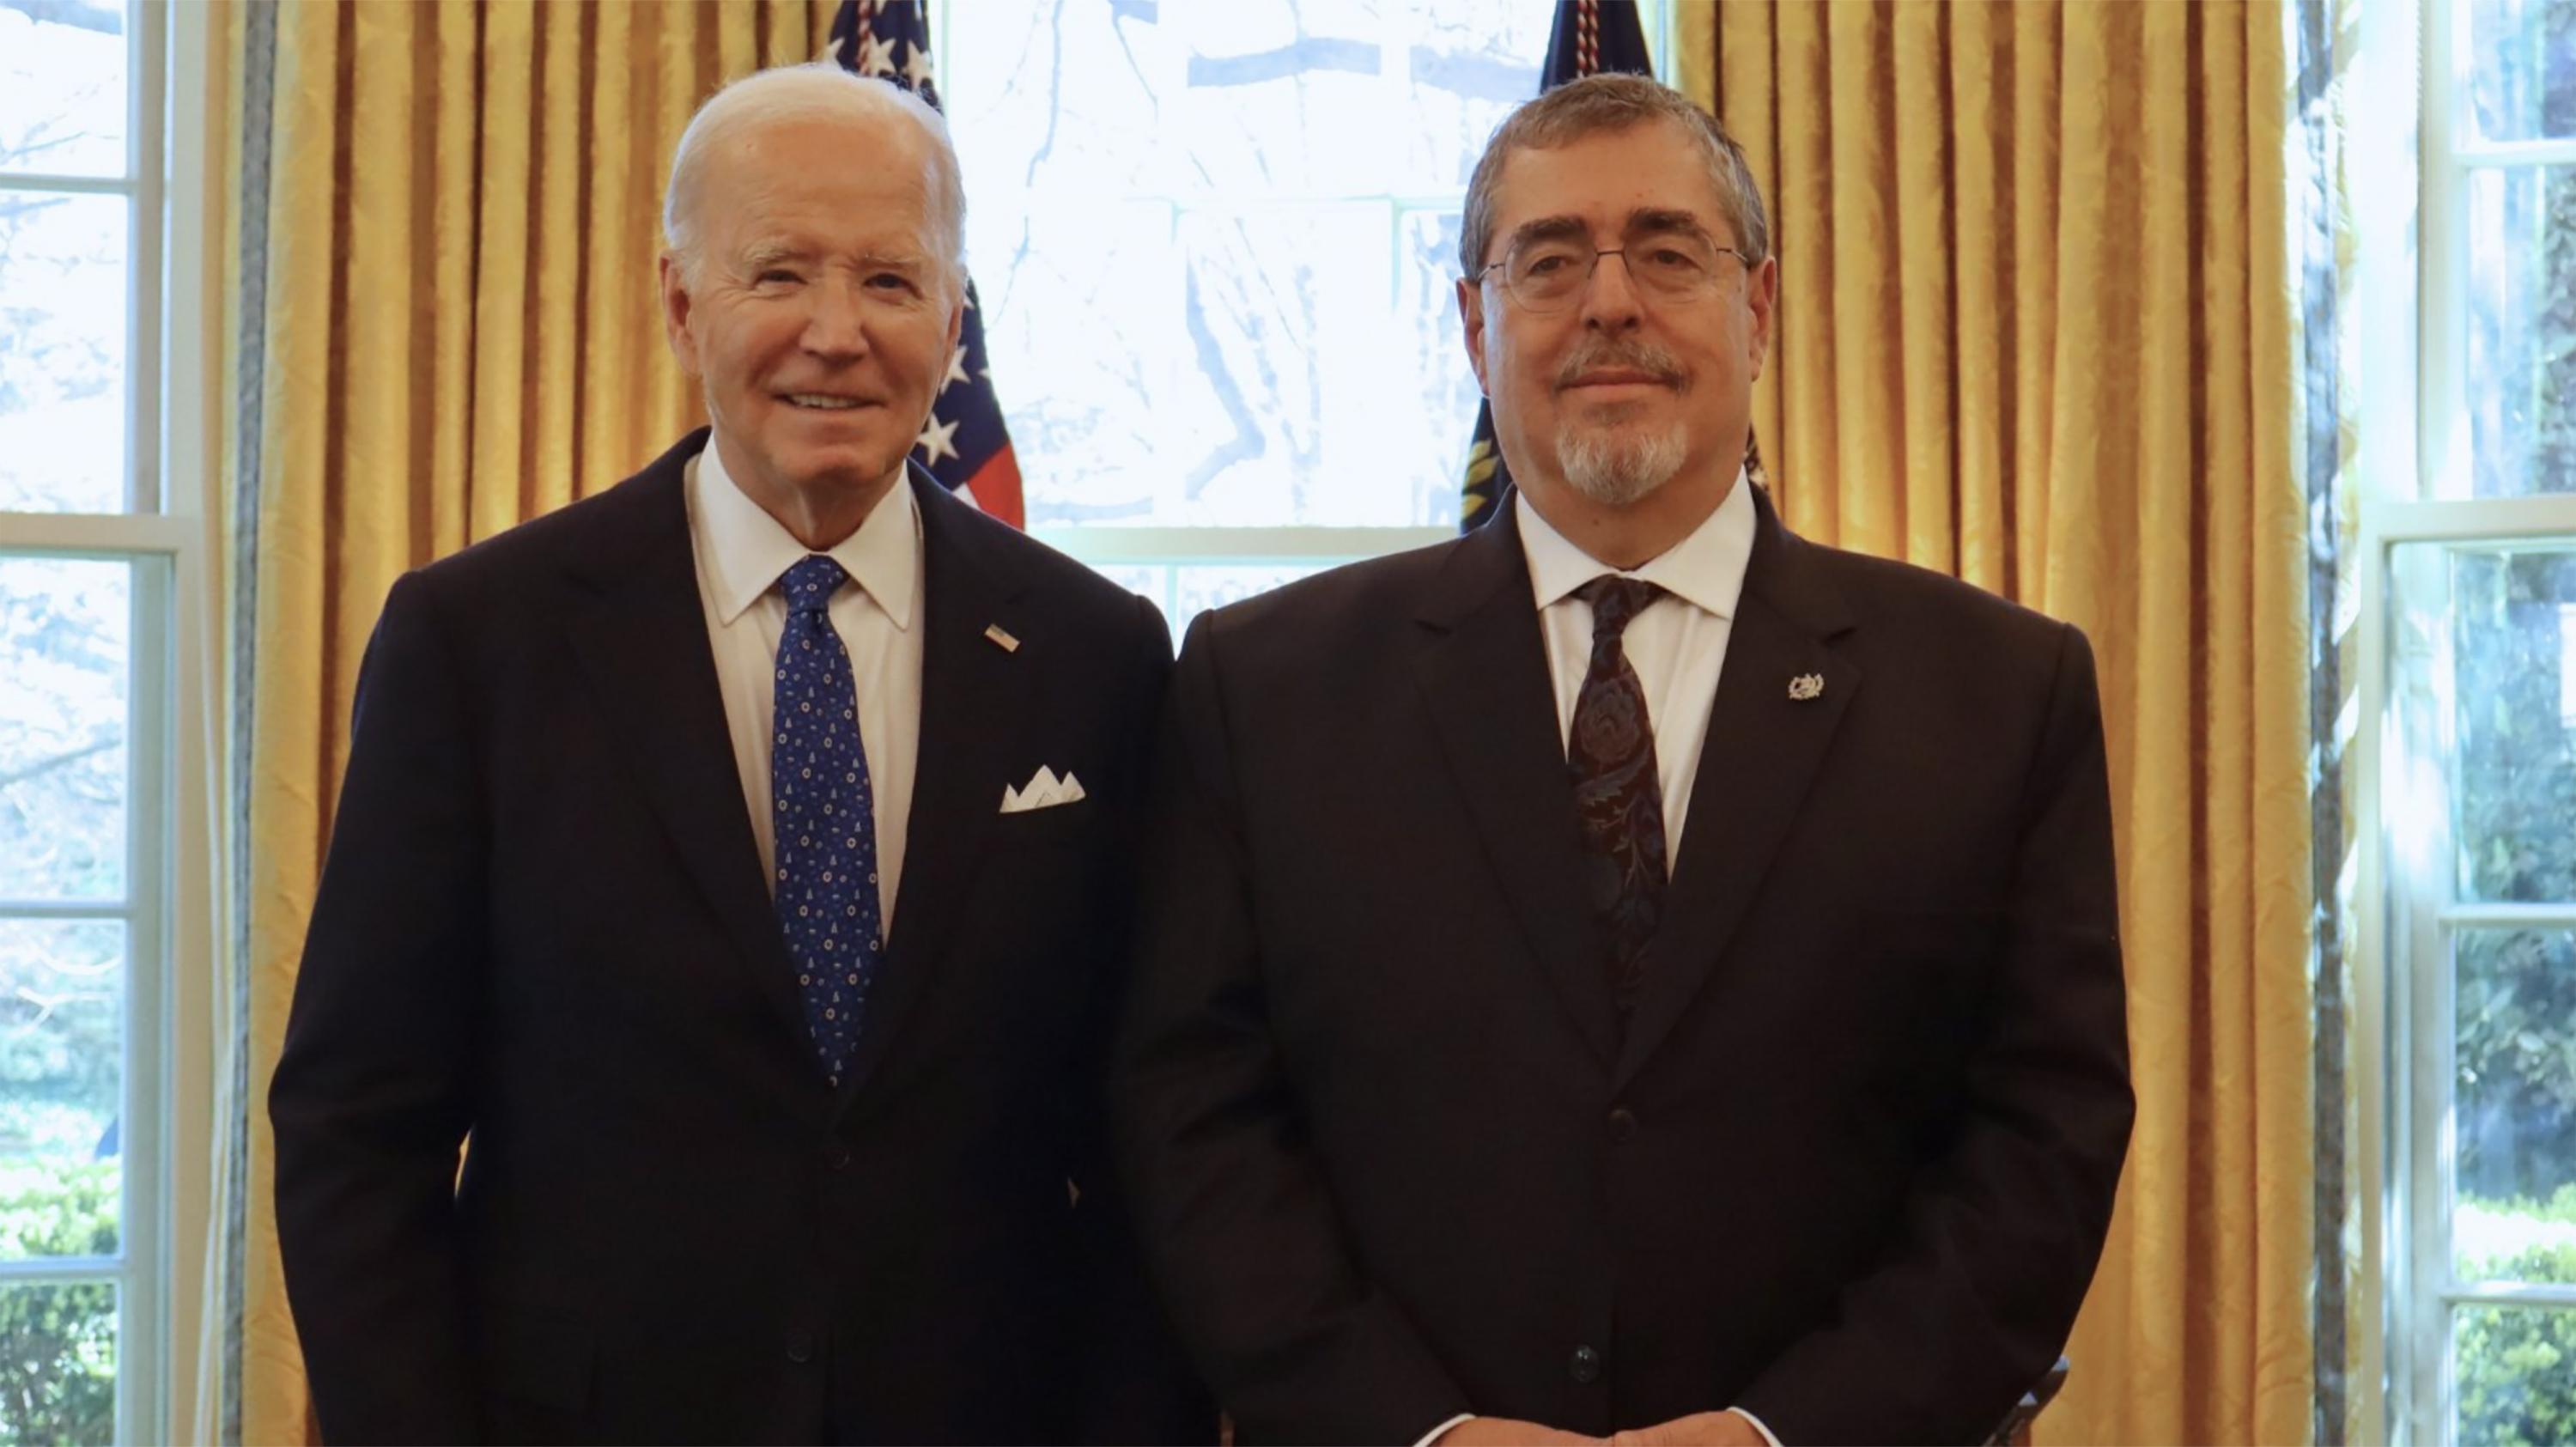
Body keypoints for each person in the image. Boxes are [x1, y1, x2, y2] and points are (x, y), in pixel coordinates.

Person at [1114, 73, 2133, 1447]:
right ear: (1474, 327)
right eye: (1547, 261)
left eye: (1666, 251)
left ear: (1757, 309)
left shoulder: (1999, 692)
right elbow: (1198, 1119)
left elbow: (2043, 1134)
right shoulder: (1264, 687)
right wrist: (1412, 1430)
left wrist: (1785, 1433)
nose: (1609, 303)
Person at [270, 62, 1206, 1444]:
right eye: (779, 274)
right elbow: (358, 1127)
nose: (838, 333)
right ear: (678, 302)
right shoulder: (481, 640)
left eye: (891, 282)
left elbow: (1153, 1128)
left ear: (954, 321)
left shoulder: (1098, 653)